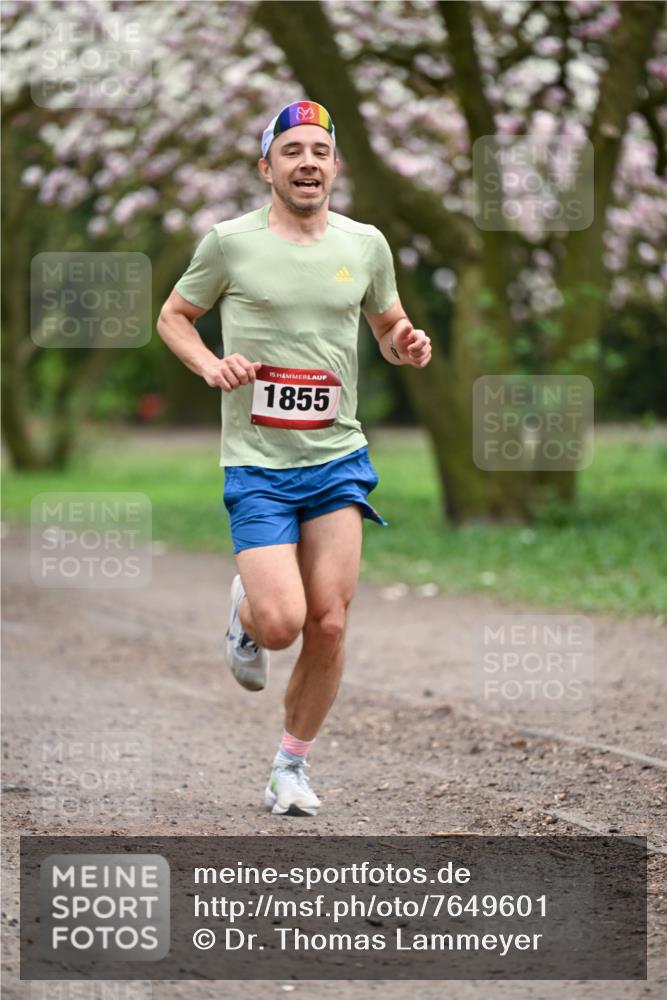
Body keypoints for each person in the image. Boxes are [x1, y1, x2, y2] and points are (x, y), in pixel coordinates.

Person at [157, 100, 431, 817]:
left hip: (337, 457)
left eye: (319, 151)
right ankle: (246, 611)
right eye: (292, 151)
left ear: (335, 166)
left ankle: (289, 767)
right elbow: (174, 317)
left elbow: (387, 323)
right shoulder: (229, 243)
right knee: (281, 624)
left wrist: (404, 343)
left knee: (329, 621)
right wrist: (210, 363)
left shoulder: (365, 244)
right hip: (258, 463)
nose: (307, 162)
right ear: (266, 167)